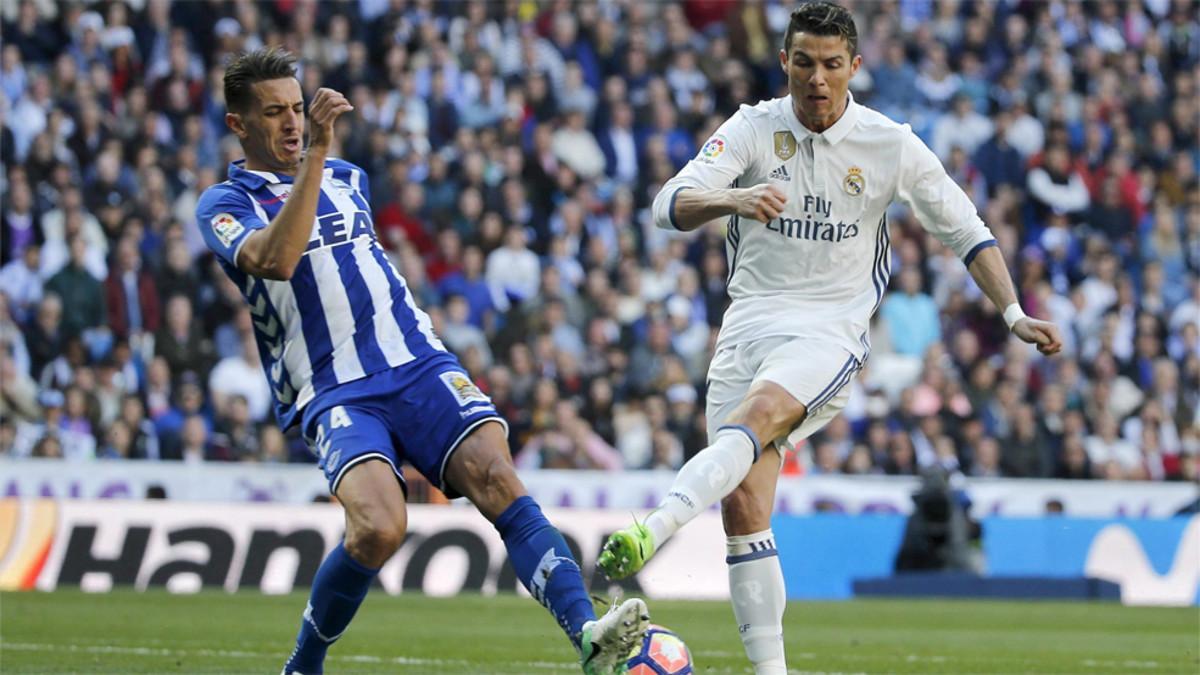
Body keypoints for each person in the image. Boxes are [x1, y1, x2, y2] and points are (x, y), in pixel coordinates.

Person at [597, 4, 1063, 674]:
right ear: (785, 61)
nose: (818, 78)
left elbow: (966, 228)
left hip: (829, 327)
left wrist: (1014, 311)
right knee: (744, 509)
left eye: (832, 64)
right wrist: (734, 198)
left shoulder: (889, 143)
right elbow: (666, 204)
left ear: (854, 68)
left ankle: (653, 528)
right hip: (748, 322)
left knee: (757, 419)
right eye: (805, 62)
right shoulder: (755, 127)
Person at [195, 48, 647, 675]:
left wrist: (325, 160)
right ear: (238, 124)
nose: (294, 124)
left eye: (298, 108)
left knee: (498, 475)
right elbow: (278, 260)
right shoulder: (224, 201)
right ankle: (303, 664)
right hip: (334, 388)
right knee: (379, 526)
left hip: (415, 362)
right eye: (274, 113)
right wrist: (318, 157)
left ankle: (587, 634)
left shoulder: (350, 178)